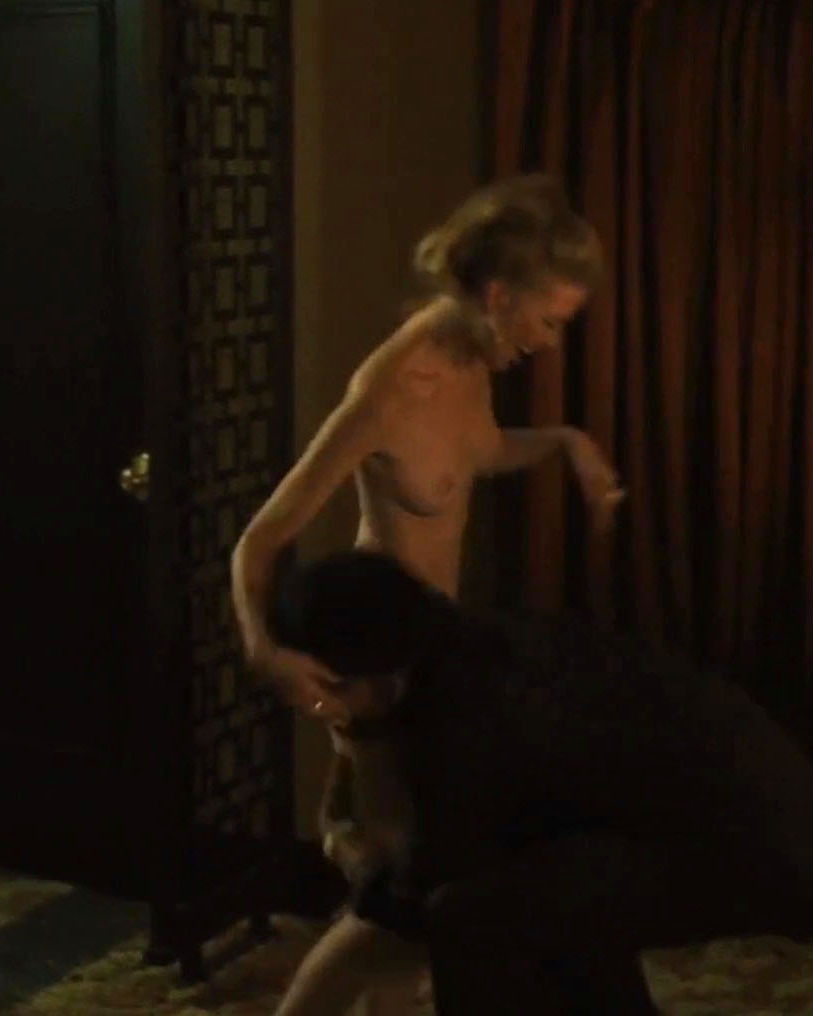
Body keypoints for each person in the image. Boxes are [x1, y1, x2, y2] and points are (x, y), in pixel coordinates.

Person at [229, 174, 626, 1013]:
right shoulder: (391, 387)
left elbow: (478, 452)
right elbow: (259, 540)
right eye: (549, 321)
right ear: (499, 295)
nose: (551, 342)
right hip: (376, 670)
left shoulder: (473, 360)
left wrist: (565, 442)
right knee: (396, 906)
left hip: (436, 659)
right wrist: (265, 652)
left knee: (413, 911)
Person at [266, 550, 813, 1016]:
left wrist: (353, 803)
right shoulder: (462, 643)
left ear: (365, 675)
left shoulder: (464, 716)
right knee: (547, 893)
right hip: (753, 814)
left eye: (319, 691)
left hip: (755, 846)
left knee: (468, 917)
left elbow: (414, 893)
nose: (312, 705)